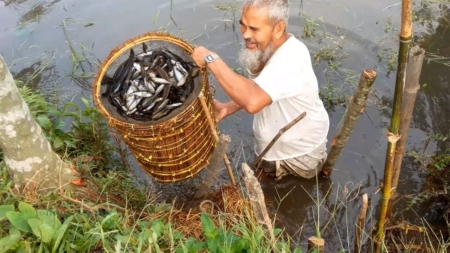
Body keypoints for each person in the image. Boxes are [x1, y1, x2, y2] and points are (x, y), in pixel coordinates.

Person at [190, 0, 329, 180]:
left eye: (254, 29)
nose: (246, 35)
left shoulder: (291, 58)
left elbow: (253, 101)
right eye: (243, 26)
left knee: (295, 197)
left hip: (299, 155)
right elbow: (261, 89)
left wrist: (210, 59)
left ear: (278, 28)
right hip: (272, 149)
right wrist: (228, 107)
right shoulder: (262, 49)